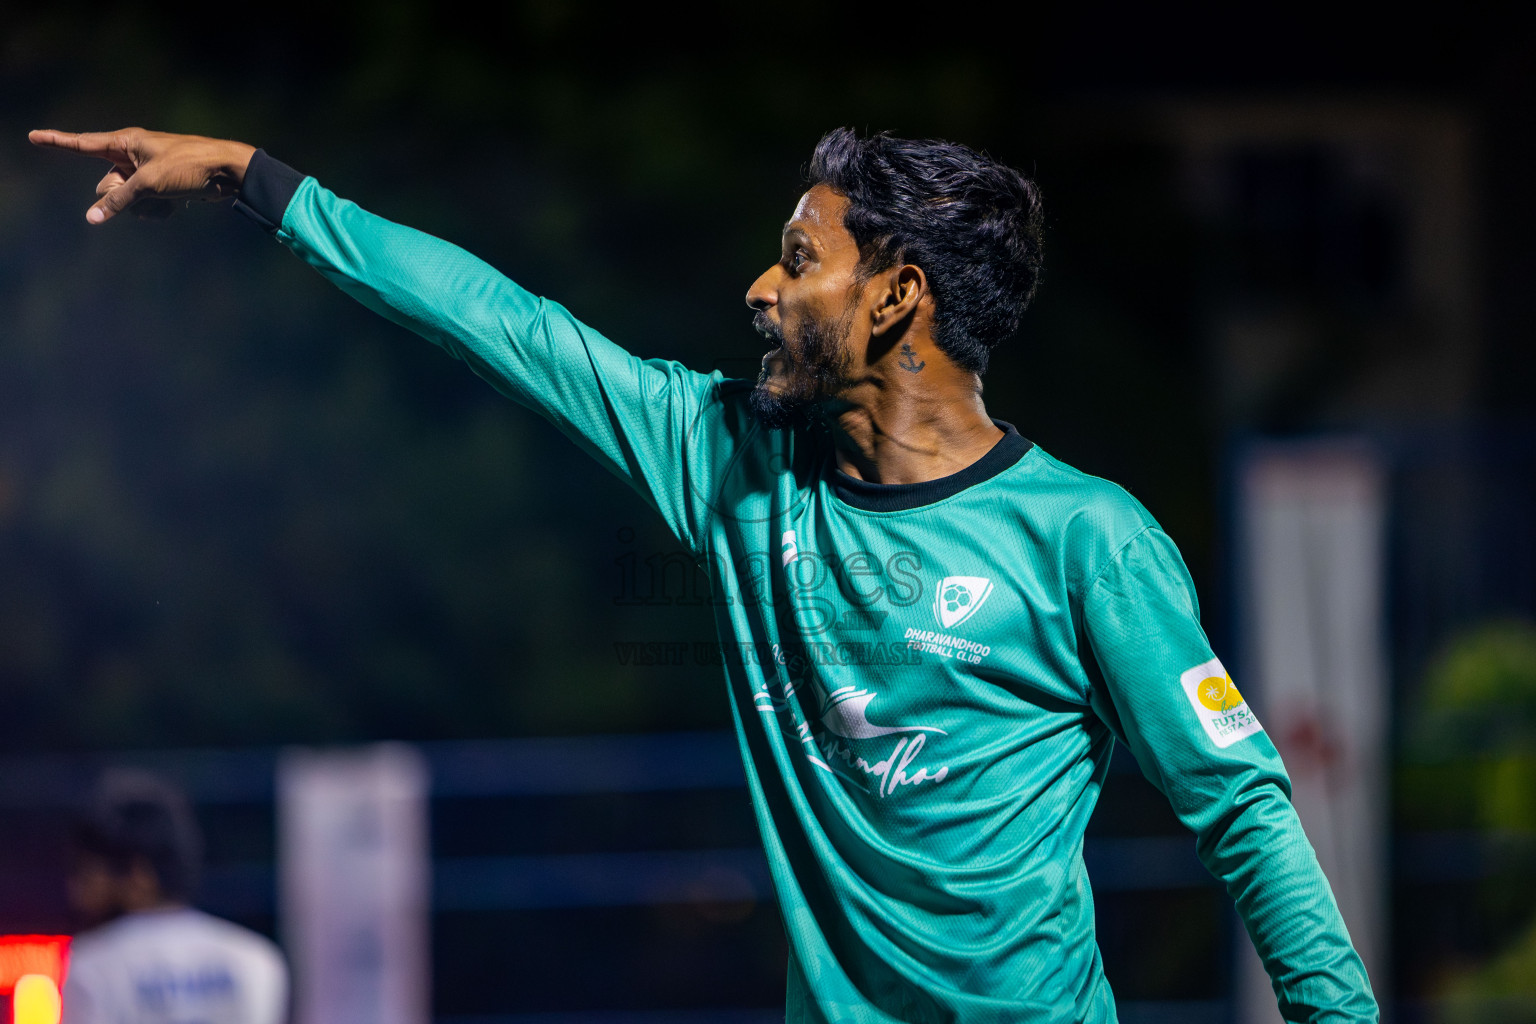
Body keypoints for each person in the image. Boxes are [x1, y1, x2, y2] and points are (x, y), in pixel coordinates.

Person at [30, 125, 1379, 1022]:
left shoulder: (1086, 539)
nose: (759, 289)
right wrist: (258, 179)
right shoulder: (731, 465)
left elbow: (1245, 812)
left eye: (799, 261)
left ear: (895, 299)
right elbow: (505, 324)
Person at [63, 769, 288, 1024]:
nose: (76, 892)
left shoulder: (93, 965)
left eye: (85, 874)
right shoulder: (256, 958)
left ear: (139, 875)